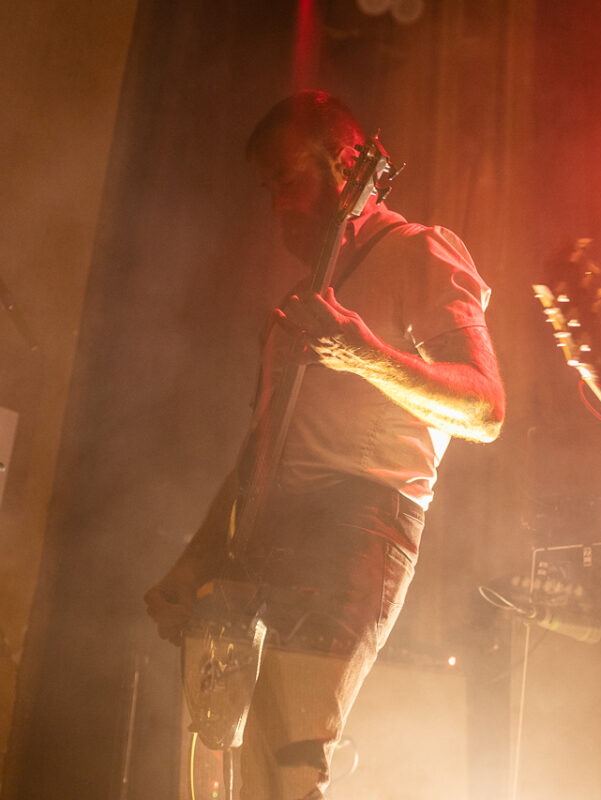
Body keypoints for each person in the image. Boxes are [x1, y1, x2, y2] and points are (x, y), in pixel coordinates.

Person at [144, 90, 505, 799]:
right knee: (237, 774)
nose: (278, 205)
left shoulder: (419, 250)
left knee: (289, 763)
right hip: (269, 533)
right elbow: (263, 456)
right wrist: (198, 556)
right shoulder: (302, 304)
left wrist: (363, 355)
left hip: (358, 525)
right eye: (269, 188)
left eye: (290, 179)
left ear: (348, 168)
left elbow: (486, 407)